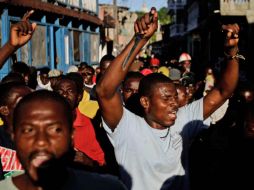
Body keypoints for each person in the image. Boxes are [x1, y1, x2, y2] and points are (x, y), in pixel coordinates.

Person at [96, 7, 240, 190]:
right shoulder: (128, 128)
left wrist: (232, 52)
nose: (174, 103)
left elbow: (223, 91)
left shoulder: (182, 121)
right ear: (145, 102)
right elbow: (104, 91)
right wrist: (140, 39)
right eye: (166, 98)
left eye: (174, 97)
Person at [0, 90, 127, 189]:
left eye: (55, 130)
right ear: (13, 136)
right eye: (28, 130)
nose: (41, 141)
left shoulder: (106, 187)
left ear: (72, 136)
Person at [53, 73, 105, 167]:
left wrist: (88, 162)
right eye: (60, 92)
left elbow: (104, 165)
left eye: (70, 91)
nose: (64, 95)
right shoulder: (44, 124)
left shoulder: (92, 125)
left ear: (79, 97)